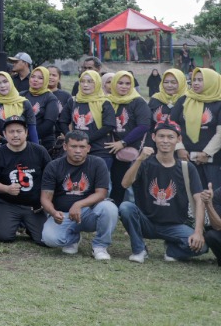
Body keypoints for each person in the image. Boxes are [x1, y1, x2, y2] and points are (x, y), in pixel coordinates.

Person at [119, 122, 207, 262]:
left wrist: (198, 232)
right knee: (126, 207)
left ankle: (172, 250)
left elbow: (199, 200)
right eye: (161, 136)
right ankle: (139, 250)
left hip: (175, 225)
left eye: (170, 137)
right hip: (146, 221)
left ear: (178, 140)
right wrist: (140, 159)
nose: (165, 141)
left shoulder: (187, 167)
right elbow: (125, 183)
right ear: (153, 137)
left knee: (202, 247)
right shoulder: (144, 163)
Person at [40, 130, 118, 260]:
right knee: (49, 239)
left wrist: (79, 204)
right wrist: (53, 212)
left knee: (109, 208)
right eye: (73, 146)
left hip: (89, 212)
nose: (78, 150)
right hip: (63, 214)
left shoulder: (98, 163)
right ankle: (72, 239)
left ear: (88, 148)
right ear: (65, 147)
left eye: (82, 147)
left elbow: (101, 193)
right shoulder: (53, 166)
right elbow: (45, 198)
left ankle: (100, 246)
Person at [0, 114, 51, 244]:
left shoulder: (39, 151)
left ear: (26, 133)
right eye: (11, 132)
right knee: (3, 236)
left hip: (35, 206)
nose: (15, 135)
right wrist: (6, 189)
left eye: (19, 131)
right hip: (7, 203)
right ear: (4, 134)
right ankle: (5, 222)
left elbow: (50, 178)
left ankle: (30, 226)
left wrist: (44, 202)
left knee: (45, 240)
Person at [105, 69, 151, 205]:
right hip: (109, 147)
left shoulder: (137, 102)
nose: (124, 86)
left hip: (128, 148)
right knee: (112, 179)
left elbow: (144, 126)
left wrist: (123, 142)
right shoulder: (107, 101)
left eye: (127, 83)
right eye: (120, 83)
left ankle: (124, 207)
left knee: (125, 180)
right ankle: (112, 208)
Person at [172, 68, 221, 192]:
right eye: (194, 80)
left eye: (201, 80)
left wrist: (206, 153)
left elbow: (220, 133)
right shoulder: (183, 100)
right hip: (185, 157)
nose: (196, 83)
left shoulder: (218, 103)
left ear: (212, 82)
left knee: (212, 196)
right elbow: (172, 126)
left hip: (212, 160)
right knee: (189, 194)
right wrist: (179, 148)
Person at [68, 70, 116, 170]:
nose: (85, 85)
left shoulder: (104, 102)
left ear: (97, 83)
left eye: (90, 81)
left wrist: (86, 140)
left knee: (101, 183)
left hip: (99, 150)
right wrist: (70, 138)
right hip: (76, 150)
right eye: (83, 81)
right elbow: (62, 121)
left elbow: (109, 125)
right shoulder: (73, 101)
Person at [0, 71, 38, 144]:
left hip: (21, 147)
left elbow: (32, 128)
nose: (2, 85)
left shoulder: (24, 103)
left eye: (5, 81)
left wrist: (36, 149)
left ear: (11, 82)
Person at [23, 66, 63, 152]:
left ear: (46, 80)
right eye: (33, 76)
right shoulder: (21, 95)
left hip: (43, 142)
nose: (35, 80)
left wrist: (27, 135)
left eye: (40, 78)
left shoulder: (50, 98)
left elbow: (48, 124)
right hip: (20, 140)